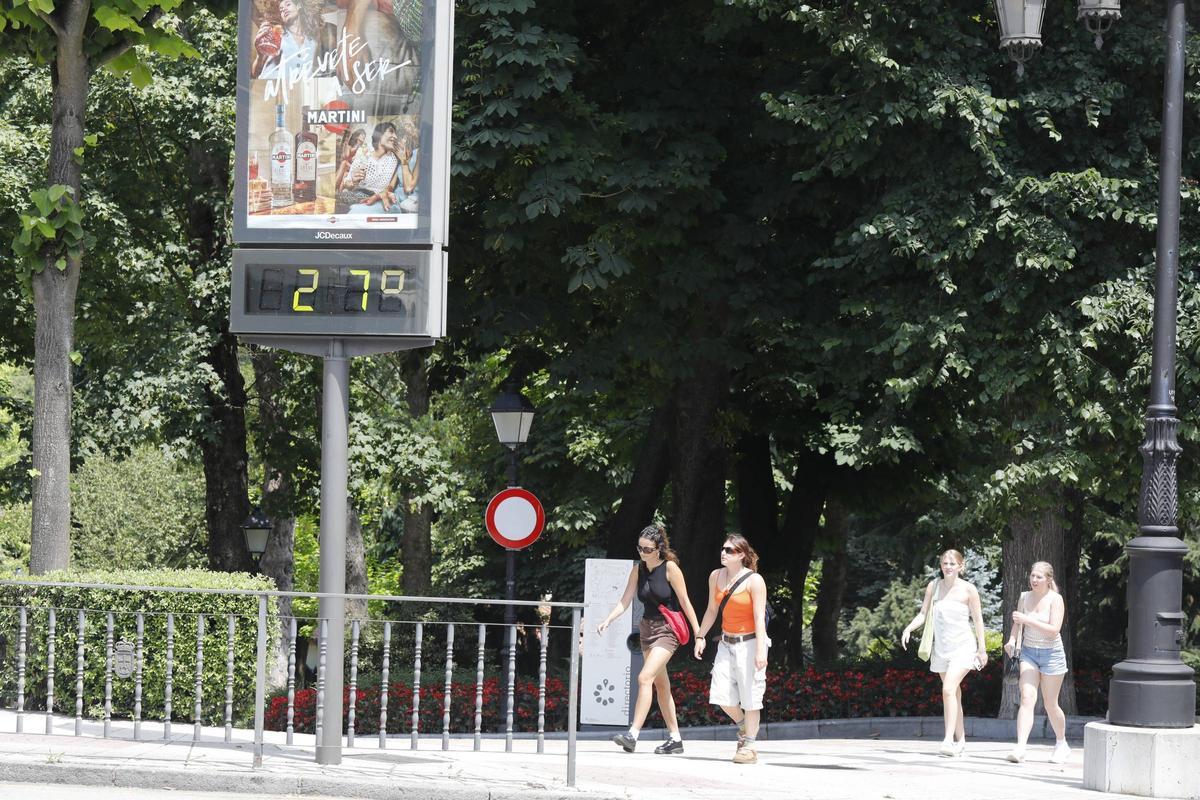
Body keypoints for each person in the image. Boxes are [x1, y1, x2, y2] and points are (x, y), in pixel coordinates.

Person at [596, 523, 701, 755]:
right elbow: (625, 600)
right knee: (661, 685)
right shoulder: (638, 570)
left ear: (658, 549)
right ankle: (675, 739)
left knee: (644, 678)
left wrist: (699, 633)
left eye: (647, 549)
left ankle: (632, 735)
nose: (642, 553)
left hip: (667, 630)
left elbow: (685, 602)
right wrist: (608, 620)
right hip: (647, 630)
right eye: (640, 548)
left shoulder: (670, 568)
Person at [900, 549, 987, 757]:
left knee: (948, 690)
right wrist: (908, 629)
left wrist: (982, 649)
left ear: (960, 566)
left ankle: (948, 740)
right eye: (945, 563)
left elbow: (978, 620)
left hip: (963, 647)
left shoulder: (969, 589)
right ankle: (961, 740)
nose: (948, 567)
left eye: (952, 563)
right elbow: (923, 613)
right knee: (953, 694)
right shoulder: (934, 586)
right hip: (941, 649)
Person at [694, 533, 769, 764]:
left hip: (750, 642)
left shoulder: (754, 581)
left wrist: (761, 650)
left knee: (751, 697)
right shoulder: (715, 576)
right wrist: (700, 636)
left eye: (729, 550)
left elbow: (759, 617)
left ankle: (749, 746)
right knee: (721, 695)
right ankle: (745, 727)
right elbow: (712, 610)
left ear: (742, 555)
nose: (723, 553)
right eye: (723, 549)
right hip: (726, 642)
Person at [1003, 561, 1070, 764]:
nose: (1034, 580)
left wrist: (1028, 620)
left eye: (1039, 577)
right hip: (1029, 653)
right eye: (1032, 576)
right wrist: (1012, 641)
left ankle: (1061, 743)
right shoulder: (1024, 597)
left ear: (1048, 579)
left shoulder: (1055, 599)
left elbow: (1054, 630)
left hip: (1052, 655)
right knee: (1027, 697)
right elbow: (1017, 624)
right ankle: (1021, 747)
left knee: (1050, 704)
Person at [341, 122, 407, 214]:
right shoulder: (363, 155)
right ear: (379, 134)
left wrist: (403, 159)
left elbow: (393, 186)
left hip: (379, 199)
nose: (395, 137)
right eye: (391, 132)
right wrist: (353, 182)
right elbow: (347, 184)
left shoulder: (395, 159)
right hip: (357, 195)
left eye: (395, 134)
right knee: (343, 197)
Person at [334, 128, 367, 192]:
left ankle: (335, 186)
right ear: (357, 136)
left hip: (353, 167)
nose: (363, 139)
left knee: (344, 163)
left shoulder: (362, 147)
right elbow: (346, 155)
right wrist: (347, 145)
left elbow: (361, 159)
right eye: (362, 136)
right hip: (349, 166)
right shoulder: (350, 145)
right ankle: (338, 189)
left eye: (364, 137)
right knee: (345, 170)